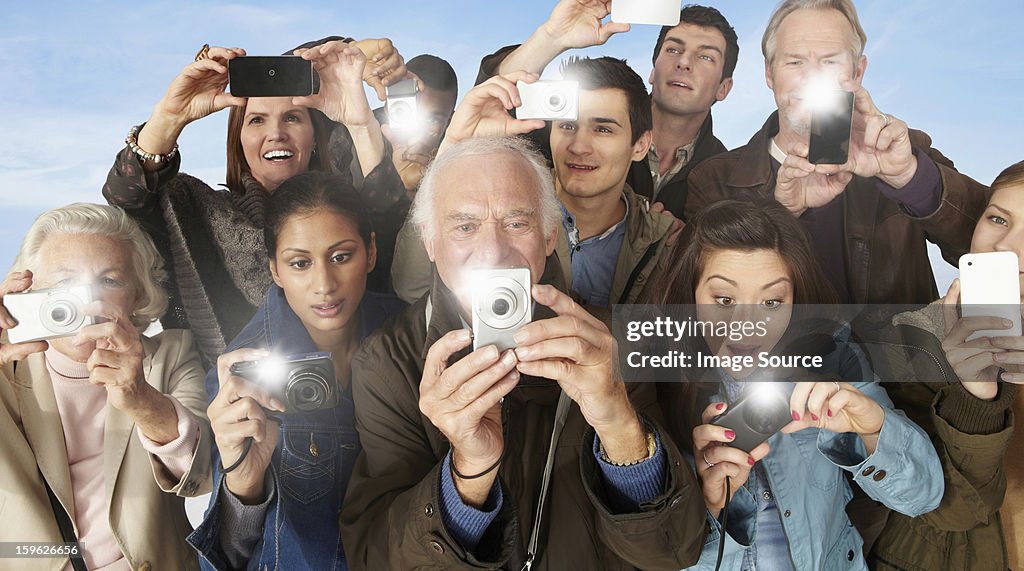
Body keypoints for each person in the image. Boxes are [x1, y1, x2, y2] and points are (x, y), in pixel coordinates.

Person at [340, 135, 707, 570]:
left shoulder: (612, 340)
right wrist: (468, 470)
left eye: (517, 223)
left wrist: (617, 420)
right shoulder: (387, 361)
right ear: (430, 242)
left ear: (550, 235)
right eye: (464, 226)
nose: (494, 253)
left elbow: (671, 552)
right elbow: (377, 558)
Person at [649, 199, 944, 569]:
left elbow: (923, 496)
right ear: (689, 295)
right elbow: (646, 546)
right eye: (724, 299)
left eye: (772, 301)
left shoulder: (831, 353)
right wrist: (706, 503)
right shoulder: (653, 372)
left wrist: (873, 428)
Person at [103, 38, 409, 367]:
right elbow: (127, 199)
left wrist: (360, 124)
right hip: (226, 404)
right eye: (257, 120)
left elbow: (385, 209)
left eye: (292, 118)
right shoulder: (195, 213)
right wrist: (169, 116)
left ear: (314, 135)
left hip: (359, 392)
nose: (276, 133)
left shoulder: (347, 211)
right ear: (238, 139)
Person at [684, 0, 987, 306]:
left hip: (899, 355)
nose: (812, 76)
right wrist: (781, 213)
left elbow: (1002, 247)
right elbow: (694, 297)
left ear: (857, 72)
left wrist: (909, 176)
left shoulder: (907, 154)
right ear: (769, 73)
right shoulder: (713, 179)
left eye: (829, 61)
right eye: (795, 61)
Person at [187, 171, 405, 570]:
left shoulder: (409, 334)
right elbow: (227, 556)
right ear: (274, 269)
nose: (324, 284)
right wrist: (243, 484)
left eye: (341, 257)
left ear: (370, 252)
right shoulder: (241, 373)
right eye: (300, 263)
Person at [0, 202, 211, 571]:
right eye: (66, 283)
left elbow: (203, 475)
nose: (87, 299)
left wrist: (142, 400)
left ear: (138, 296)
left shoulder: (170, 355)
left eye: (109, 280)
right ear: (27, 292)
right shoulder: (6, 371)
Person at [390, 58, 675, 307]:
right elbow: (412, 288)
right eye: (567, 125)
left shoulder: (665, 242)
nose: (579, 146)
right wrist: (453, 146)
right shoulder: (499, 196)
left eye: (602, 129)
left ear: (640, 145)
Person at [869, 160, 1024, 570]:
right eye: (997, 218)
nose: (1007, 246)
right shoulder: (911, 340)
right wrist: (974, 398)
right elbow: (942, 507)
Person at [476, 0, 738, 217]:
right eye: (673, 49)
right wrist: (553, 37)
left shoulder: (728, 178)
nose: (683, 62)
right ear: (653, 70)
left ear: (724, 88)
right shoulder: (572, 123)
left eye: (705, 56)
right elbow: (492, 108)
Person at [376, 53, 459, 192]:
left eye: (433, 119)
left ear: (449, 122)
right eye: (409, 111)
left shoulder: (457, 164)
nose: (419, 129)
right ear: (389, 107)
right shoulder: (353, 141)